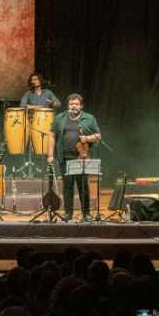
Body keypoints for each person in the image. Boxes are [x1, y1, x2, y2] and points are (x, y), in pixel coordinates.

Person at [46, 94, 101, 222]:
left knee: (83, 187)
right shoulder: (60, 117)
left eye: (76, 104)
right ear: (68, 105)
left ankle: (86, 213)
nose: (74, 106)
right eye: (71, 104)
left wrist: (87, 138)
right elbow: (52, 136)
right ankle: (68, 213)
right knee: (67, 186)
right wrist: (50, 155)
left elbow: (98, 135)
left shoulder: (89, 118)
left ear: (81, 106)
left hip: (81, 158)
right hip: (64, 157)